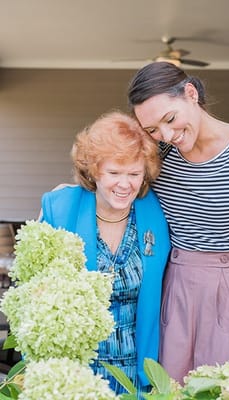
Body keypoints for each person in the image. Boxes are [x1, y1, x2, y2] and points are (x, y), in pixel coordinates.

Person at [127, 61, 229, 399]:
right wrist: (67, 192)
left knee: (228, 388)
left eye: (169, 119)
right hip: (178, 289)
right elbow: (115, 175)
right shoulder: (160, 154)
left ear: (191, 94)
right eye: (152, 129)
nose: (166, 136)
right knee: (172, 389)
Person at [39, 110, 171, 394]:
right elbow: (35, 291)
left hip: (135, 369)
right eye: (114, 173)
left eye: (134, 174)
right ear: (94, 170)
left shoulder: (155, 212)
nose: (125, 185)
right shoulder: (60, 209)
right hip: (74, 367)